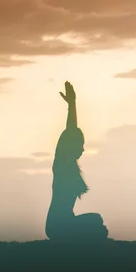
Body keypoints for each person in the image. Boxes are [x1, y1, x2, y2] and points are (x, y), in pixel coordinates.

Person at [45, 81, 109, 242]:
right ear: (71, 146)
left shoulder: (71, 168)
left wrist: (73, 103)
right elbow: (71, 128)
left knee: (98, 223)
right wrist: (72, 104)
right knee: (97, 223)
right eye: (80, 145)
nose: (82, 149)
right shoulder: (61, 166)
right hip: (57, 226)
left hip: (64, 224)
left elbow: (72, 130)